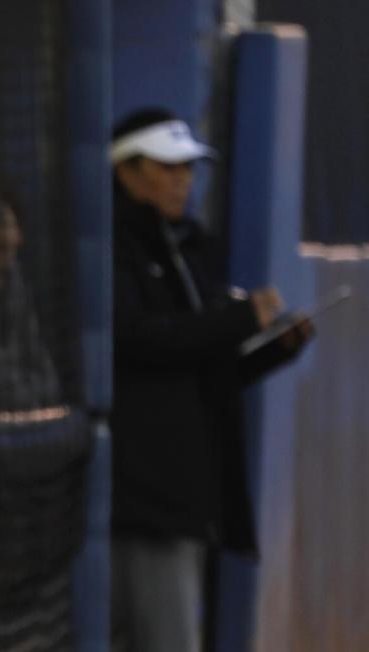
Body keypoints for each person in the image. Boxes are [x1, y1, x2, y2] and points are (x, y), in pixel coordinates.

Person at [109, 108, 312, 652]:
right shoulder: (111, 245)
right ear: (126, 172)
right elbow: (138, 340)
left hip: (190, 488)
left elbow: (204, 360)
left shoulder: (191, 246)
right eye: (166, 167)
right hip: (142, 488)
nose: (182, 180)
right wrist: (241, 320)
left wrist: (272, 348)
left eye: (188, 169)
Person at [0, 185, 62, 411]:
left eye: (4, 225)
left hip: (23, 418)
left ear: (19, 235)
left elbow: (47, 378)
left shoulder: (23, 293)